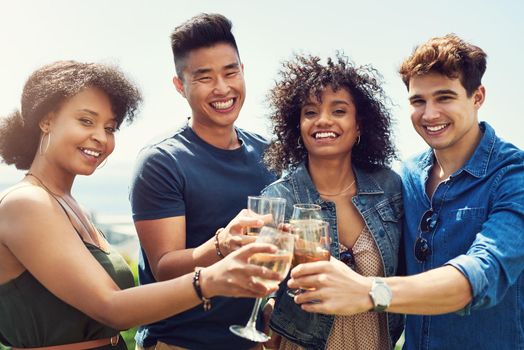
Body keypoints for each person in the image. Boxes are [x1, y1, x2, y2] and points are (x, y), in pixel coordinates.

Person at [0, 60, 282, 349]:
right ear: (46, 120)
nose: (100, 137)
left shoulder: (70, 205)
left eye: (110, 128)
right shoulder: (26, 203)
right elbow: (110, 307)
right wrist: (210, 280)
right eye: (86, 121)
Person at [287, 34, 524, 350]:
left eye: (445, 97)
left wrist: (372, 292)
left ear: (477, 96)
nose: (429, 114)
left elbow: (481, 274)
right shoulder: (406, 177)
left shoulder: (513, 176)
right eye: (418, 101)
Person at [129, 13, 276, 350]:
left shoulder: (268, 152)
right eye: (204, 77)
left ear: (243, 70)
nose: (223, 88)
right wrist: (222, 243)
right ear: (180, 85)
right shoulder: (162, 161)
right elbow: (164, 268)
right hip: (179, 343)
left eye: (230, 71)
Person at [261, 54, 404, 350]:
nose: (323, 120)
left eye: (338, 111)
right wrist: (268, 306)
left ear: (359, 125)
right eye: (310, 112)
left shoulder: (389, 187)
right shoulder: (279, 198)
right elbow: (258, 283)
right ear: (297, 126)